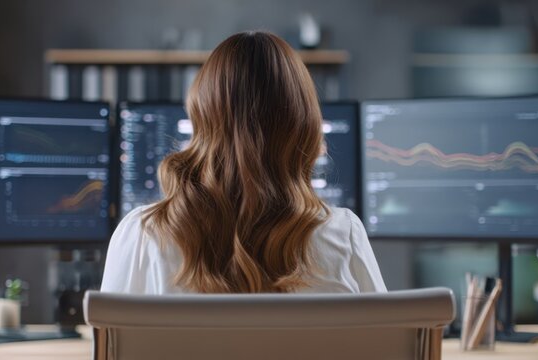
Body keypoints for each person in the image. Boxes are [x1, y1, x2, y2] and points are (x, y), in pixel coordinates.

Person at [101, 31, 385, 294]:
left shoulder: (142, 234)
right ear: (304, 127)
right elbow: (392, 345)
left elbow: (108, 348)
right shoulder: (344, 236)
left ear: (201, 120)